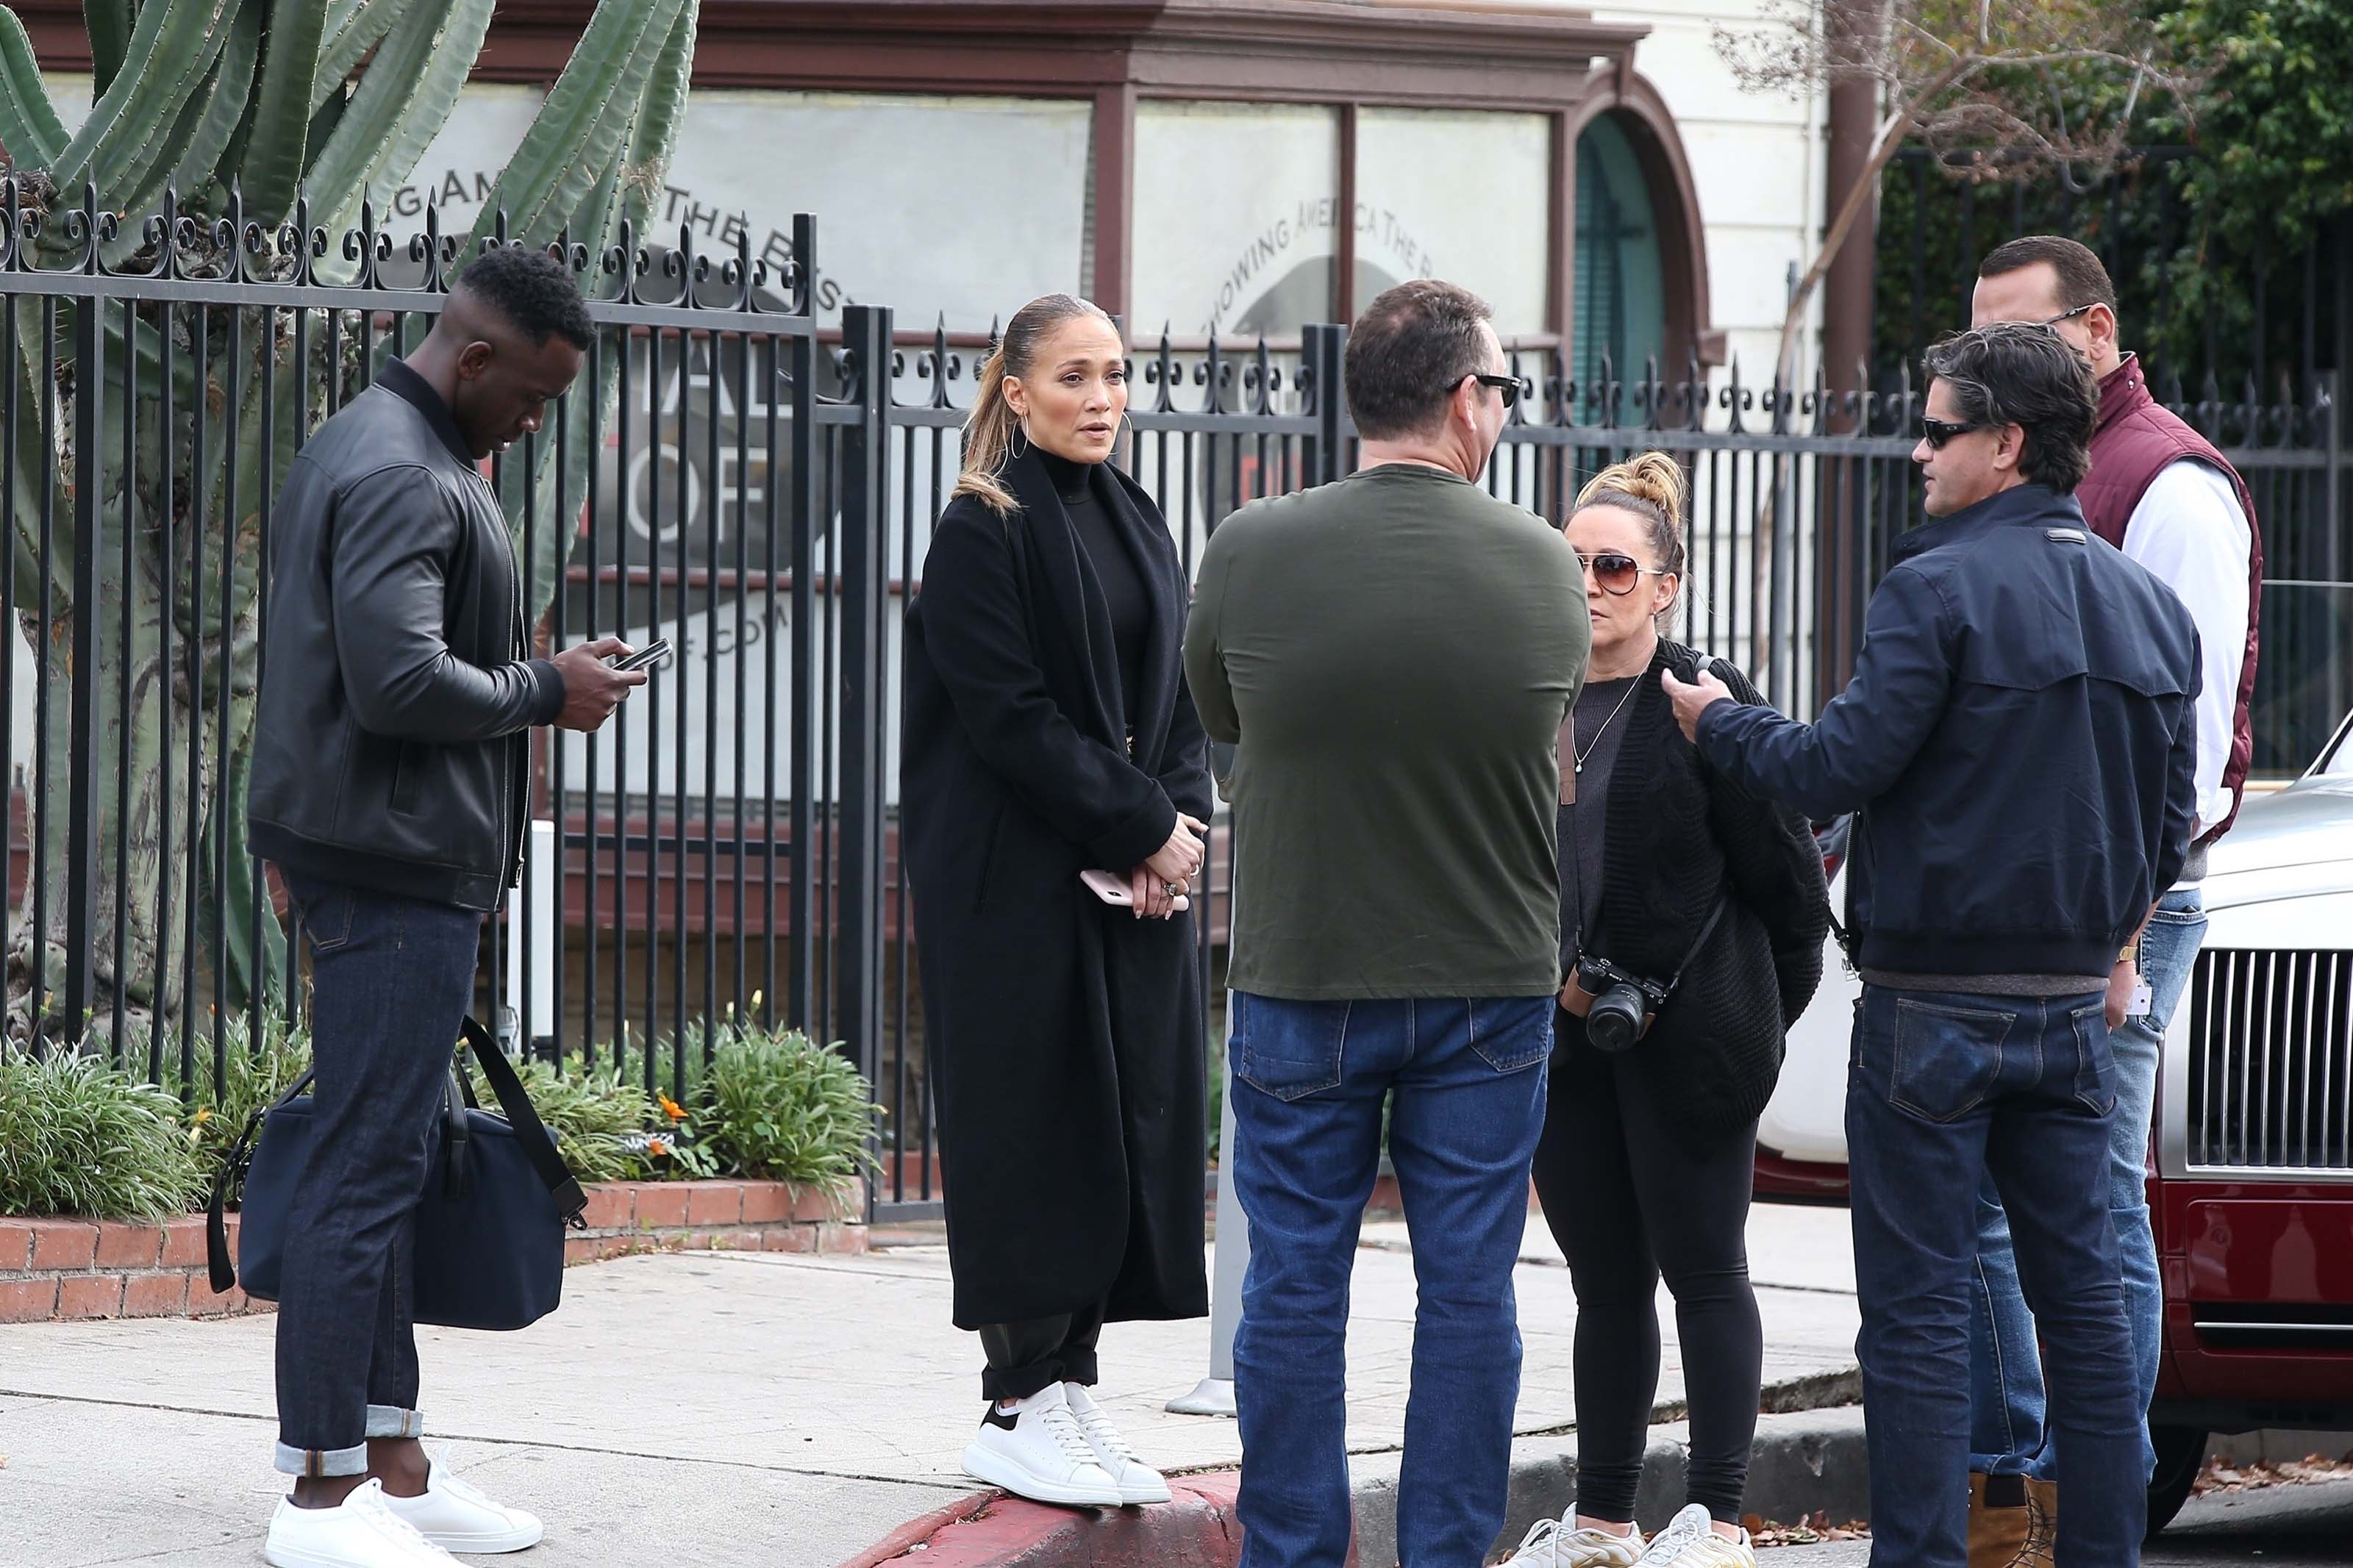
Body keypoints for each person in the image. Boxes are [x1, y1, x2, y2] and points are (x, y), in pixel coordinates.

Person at [1661, 321, 2201, 1568]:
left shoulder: (1936, 588)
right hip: (2070, 1009)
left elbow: (1837, 766)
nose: (1917, 450)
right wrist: (2108, 942)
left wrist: (1719, 719)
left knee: (1915, 1319)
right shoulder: (2148, 607)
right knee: (2086, 1315)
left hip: (1932, 1011)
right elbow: (2169, 825)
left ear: (2006, 444)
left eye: (1940, 429)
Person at [247, 245, 643, 1568]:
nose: (536, 421)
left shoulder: (371, 440)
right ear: (474, 359)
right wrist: (549, 686)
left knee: (391, 1159)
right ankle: (318, 1494)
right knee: (364, 1171)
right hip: (394, 872)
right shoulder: (406, 472)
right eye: (532, 397)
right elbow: (396, 682)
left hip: (383, 856)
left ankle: (394, 1465)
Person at [1184, 279, 1588, 1568]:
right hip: (1489, 979)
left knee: (1292, 1282)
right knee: (1468, 1287)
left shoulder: (1250, 545)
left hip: (1304, 968)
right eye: (1504, 392)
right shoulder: (1539, 558)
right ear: (1468, 400)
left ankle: (1294, 1550)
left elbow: (1224, 719)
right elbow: (1546, 729)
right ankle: (1445, 1552)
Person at [1965, 235, 2263, 1560]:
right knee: (1999, 1201)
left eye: (2011, 336)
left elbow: (2185, 756)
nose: (1982, 367)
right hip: (2021, 912)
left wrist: (2126, 932)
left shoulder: (2173, 486)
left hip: (2121, 916)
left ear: (2095, 329)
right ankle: (2025, 1488)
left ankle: (2094, 1497)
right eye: (1968, 345)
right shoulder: (2039, 473)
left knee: (2086, 1210)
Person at [900, 293, 1213, 1511]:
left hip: (1126, 886)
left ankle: (1072, 1386)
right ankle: (1019, 1398)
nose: (1101, 397)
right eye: (1074, 377)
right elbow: (1007, 715)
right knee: (1035, 1124)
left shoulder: (1134, 514)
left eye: (1117, 375)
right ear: (1015, 392)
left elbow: (1179, 696)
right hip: (1015, 887)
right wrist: (1139, 825)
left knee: (1115, 1129)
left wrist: (1170, 833)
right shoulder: (982, 524)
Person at [1503, 456, 1828, 1568]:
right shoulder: (1527, 696)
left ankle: (1720, 1517)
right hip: (1565, 1038)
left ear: (1664, 584)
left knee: (1705, 1268)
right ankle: (1601, 1519)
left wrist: (1754, 1021)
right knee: (1604, 1281)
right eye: (1569, 561)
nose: (1587, 582)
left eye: (1612, 565)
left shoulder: (1701, 700)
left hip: (1694, 1043)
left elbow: (1792, 891)